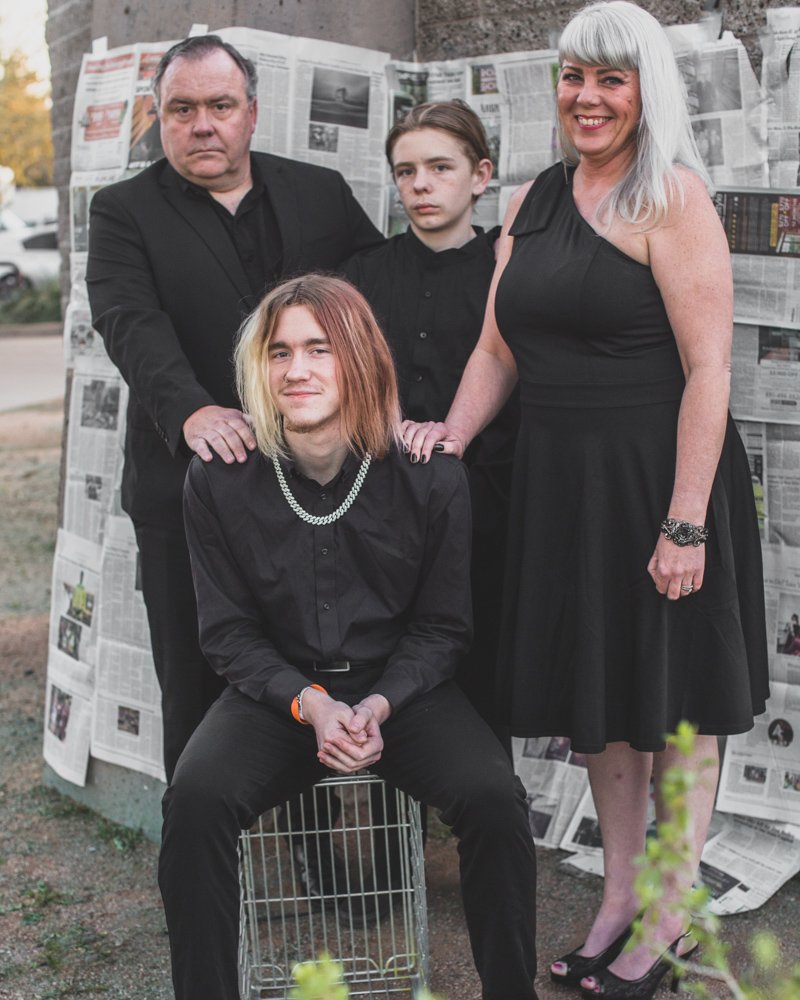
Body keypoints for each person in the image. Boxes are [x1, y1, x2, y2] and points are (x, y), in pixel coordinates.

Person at [402, 3, 769, 998]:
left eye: (609, 78)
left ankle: (670, 907)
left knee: (677, 705)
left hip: (659, 482)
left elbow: (707, 374)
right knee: (602, 705)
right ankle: (616, 897)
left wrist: (684, 518)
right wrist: (454, 433)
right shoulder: (528, 202)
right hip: (565, 492)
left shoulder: (672, 199)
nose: (587, 97)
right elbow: (494, 347)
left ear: (645, 88)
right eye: (572, 77)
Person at [159, 273, 539, 1000]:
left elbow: (441, 629)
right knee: (194, 800)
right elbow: (229, 635)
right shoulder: (220, 478)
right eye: (279, 353)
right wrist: (312, 705)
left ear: (359, 359)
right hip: (278, 694)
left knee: (494, 797)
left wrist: (380, 705)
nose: (296, 370)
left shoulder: (428, 476)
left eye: (319, 349)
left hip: (402, 689)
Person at [86, 34, 383, 781]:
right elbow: (129, 321)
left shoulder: (319, 192)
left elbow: (370, 309)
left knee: (316, 675)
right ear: (159, 119)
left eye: (220, 106)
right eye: (181, 110)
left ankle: (310, 844)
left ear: (253, 112)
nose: (202, 125)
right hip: (187, 484)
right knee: (193, 683)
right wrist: (191, 412)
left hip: (316, 485)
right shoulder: (124, 211)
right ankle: (202, 859)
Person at [344, 99, 518, 726]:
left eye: (440, 167)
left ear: (481, 174)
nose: (420, 184)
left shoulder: (510, 268)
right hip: (385, 506)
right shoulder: (362, 274)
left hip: (489, 500)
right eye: (405, 171)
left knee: (485, 649)